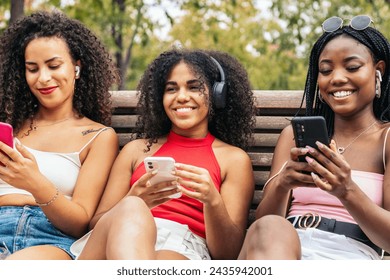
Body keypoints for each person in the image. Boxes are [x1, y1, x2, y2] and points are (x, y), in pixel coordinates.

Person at [70, 48, 256, 260]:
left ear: (216, 94)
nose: (182, 97)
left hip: (181, 245)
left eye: (194, 87)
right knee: (132, 207)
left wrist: (212, 201)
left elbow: (228, 255)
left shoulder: (233, 160)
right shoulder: (136, 151)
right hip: (114, 239)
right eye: (171, 89)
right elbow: (96, 225)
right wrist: (134, 199)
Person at [238, 15, 390, 260]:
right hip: (284, 250)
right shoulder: (293, 136)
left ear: (378, 71)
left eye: (352, 67)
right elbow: (263, 226)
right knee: (272, 228)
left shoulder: (386, 140)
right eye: (326, 70)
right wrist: (282, 185)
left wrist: (347, 190)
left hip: (349, 257)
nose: (337, 78)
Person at [0, 10, 120, 259]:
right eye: (32, 69)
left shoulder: (98, 136)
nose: (43, 78)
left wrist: (33, 181)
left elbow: (80, 223)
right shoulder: (10, 125)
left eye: (53, 66)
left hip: (50, 239)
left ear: (77, 67)